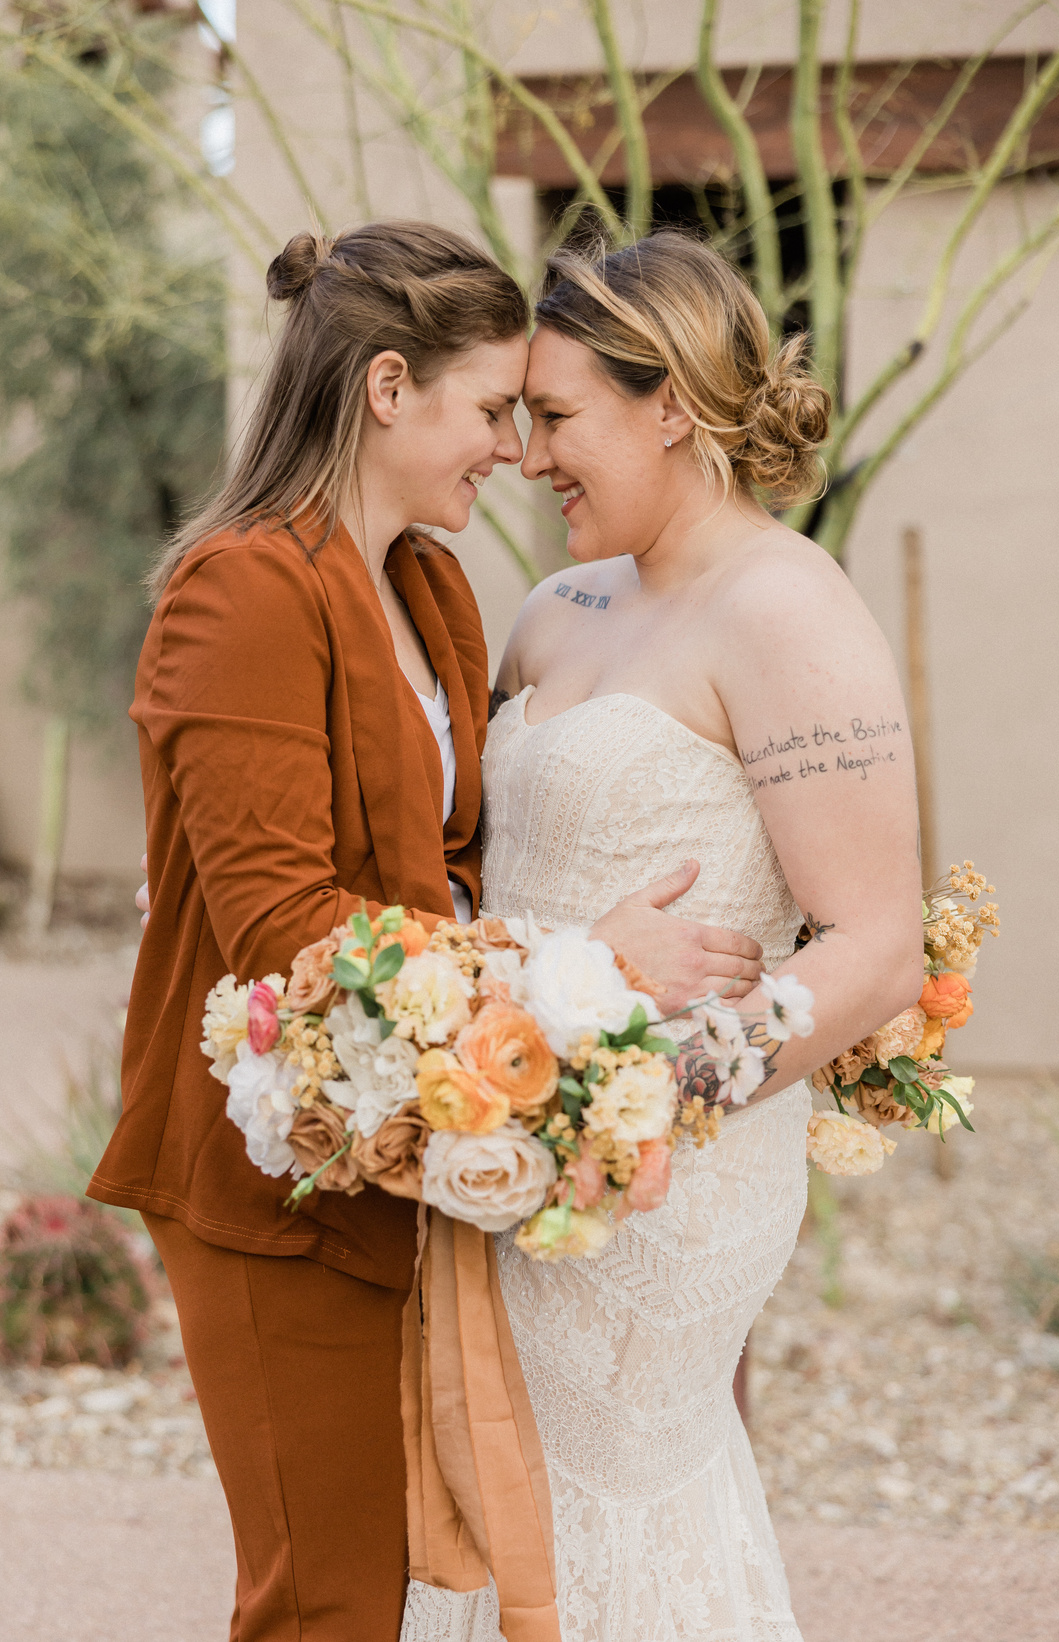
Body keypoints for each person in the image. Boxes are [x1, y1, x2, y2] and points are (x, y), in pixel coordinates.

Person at [94, 220, 763, 1642]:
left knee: (410, 1591)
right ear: (388, 387)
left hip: (405, 1143)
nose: (515, 451)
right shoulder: (241, 588)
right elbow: (284, 926)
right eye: (494, 408)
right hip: (268, 1176)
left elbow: (452, 875)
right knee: (324, 1601)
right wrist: (581, 967)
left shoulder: (428, 588)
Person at [401, 234, 923, 1642]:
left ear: (672, 406)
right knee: (490, 1496)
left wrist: (641, 1097)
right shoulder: (551, 611)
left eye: (556, 416)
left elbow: (878, 941)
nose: (526, 458)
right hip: (504, 1133)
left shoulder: (786, 606)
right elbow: (469, 872)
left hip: (668, 1169)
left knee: (607, 1508)